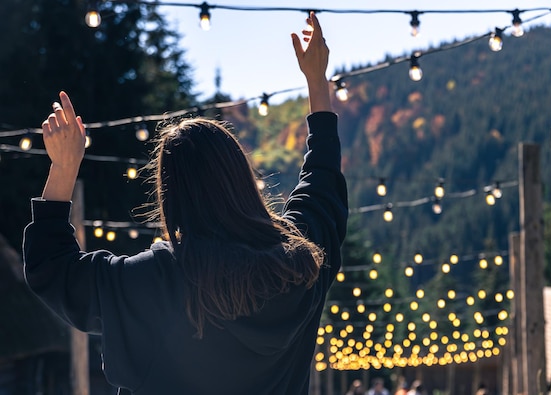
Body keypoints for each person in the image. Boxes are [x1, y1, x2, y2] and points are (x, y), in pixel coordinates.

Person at [22, 12, 347, 395]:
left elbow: (52, 270)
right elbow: (321, 182)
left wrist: (63, 167)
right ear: (240, 178)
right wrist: (316, 82)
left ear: (171, 196)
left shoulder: (155, 279)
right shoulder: (300, 266)